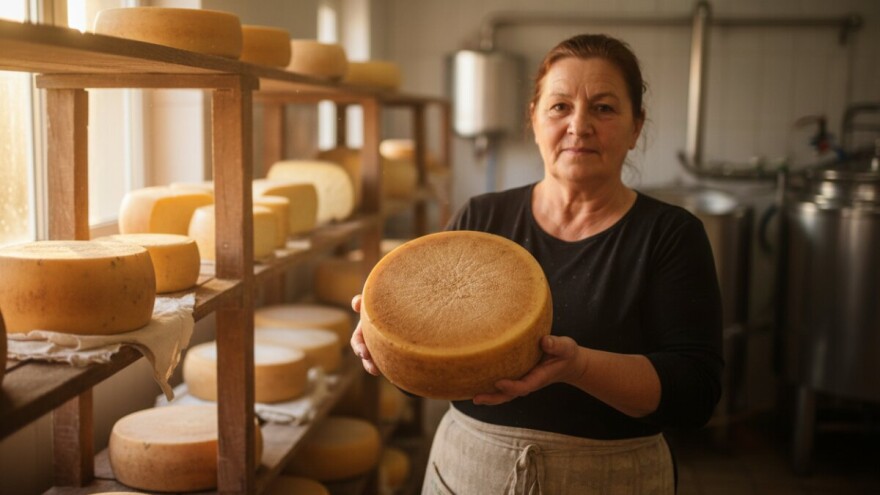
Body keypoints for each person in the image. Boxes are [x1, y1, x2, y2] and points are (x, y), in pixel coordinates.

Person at [351, 33, 723, 494]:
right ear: (534, 117)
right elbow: (434, 370)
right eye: (560, 106)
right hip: (469, 469)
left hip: (613, 476)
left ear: (636, 127)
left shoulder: (669, 234)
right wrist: (390, 349)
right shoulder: (481, 218)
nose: (579, 125)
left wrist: (578, 367)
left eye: (604, 108)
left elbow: (694, 396)